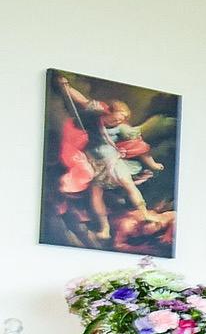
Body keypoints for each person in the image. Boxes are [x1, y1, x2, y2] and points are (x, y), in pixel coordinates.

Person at [53, 74, 171, 247]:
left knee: (128, 184)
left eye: (122, 119)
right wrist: (66, 88)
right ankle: (105, 228)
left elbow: (139, 146)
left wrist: (152, 164)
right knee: (96, 196)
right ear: (109, 112)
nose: (119, 120)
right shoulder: (95, 118)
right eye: (117, 117)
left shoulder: (121, 129)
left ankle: (144, 212)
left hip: (113, 162)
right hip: (94, 163)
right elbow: (81, 101)